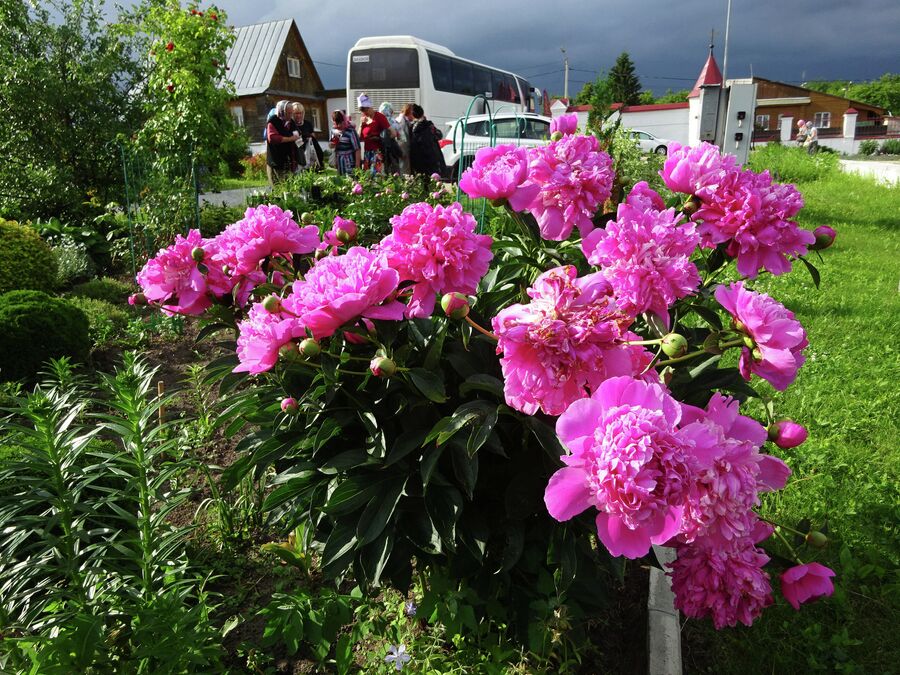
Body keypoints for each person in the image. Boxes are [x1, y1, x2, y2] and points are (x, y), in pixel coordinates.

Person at [265, 100, 299, 185]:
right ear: (281, 112)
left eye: (292, 113)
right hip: (276, 162)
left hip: (288, 161)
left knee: (289, 188)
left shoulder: (291, 122)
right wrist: (291, 138)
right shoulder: (273, 121)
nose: (291, 115)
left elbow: (297, 134)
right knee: (278, 189)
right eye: (288, 113)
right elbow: (273, 138)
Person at [357, 93, 391, 174]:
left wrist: (379, 138)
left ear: (370, 107)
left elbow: (391, 132)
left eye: (366, 110)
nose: (365, 113)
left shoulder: (379, 117)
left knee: (377, 178)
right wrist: (361, 124)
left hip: (377, 152)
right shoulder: (364, 119)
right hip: (367, 152)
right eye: (363, 112)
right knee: (367, 177)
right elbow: (359, 137)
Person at [408, 104, 445, 177]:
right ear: (422, 113)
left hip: (417, 158)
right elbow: (439, 135)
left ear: (413, 115)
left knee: (420, 179)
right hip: (431, 157)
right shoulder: (429, 125)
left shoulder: (411, 127)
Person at [288, 102, 324, 171]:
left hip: (309, 153)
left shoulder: (308, 124)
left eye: (300, 113)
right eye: (296, 113)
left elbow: (313, 139)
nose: (298, 115)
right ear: (292, 114)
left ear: (303, 113)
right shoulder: (290, 125)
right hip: (296, 154)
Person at [330, 110, 360, 176]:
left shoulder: (351, 131)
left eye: (340, 123)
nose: (338, 126)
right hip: (339, 162)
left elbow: (357, 149)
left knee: (351, 181)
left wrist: (357, 166)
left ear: (344, 120)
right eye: (336, 124)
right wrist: (332, 145)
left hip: (349, 161)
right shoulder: (334, 131)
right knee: (341, 182)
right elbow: (331, 146)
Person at [378, 102, 403, 175]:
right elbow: (401, 137)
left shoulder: (378, 121)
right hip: (393, 151)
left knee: (382, 172)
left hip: (380, 151)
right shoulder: (395, 122)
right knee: (394, 172)